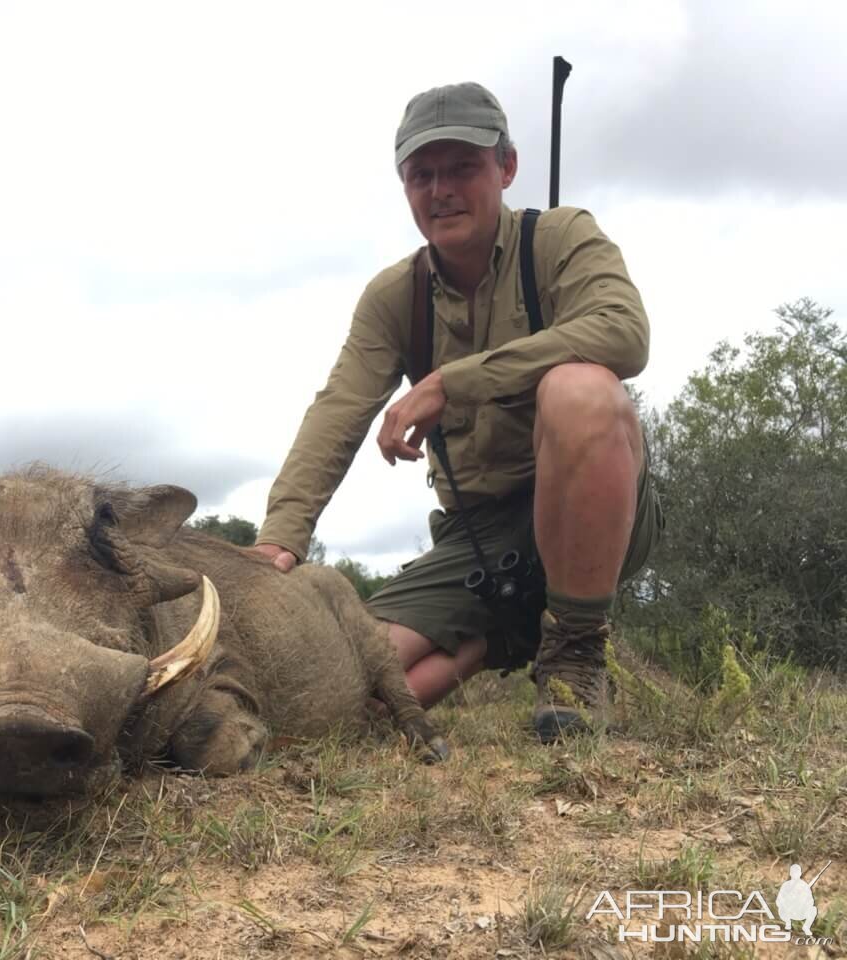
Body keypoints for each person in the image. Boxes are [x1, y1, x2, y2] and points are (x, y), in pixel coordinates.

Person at [250, 81, 663, 742]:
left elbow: (623, 332)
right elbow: (339, 411)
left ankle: (575, 652)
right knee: (345, 693)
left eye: (462, 168)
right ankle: (496, 629)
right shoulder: (394, 296)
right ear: (406, 187)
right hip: (478, 539)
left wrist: (455, 381)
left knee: (580, 391)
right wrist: (279, 538)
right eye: (422, 175)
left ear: (506, 167)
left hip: (592, 509)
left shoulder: (562, 237)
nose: (440, 189)